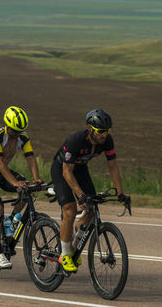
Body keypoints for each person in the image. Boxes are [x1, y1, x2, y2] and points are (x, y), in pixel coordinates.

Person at [50, 109, 130, 273]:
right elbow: (67, 173)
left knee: (92, 208)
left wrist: (121, 194)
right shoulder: (76, 140)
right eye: (101, 131)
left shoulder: (107, 142)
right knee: (70, 210)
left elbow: (113, 167)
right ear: (89, 128)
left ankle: (74, 246)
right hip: (62, 170)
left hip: (80, 170)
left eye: (107, 131)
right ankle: (64, 255)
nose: (104, 135)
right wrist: (80, 195)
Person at [0, 106, 43, 269]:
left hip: (1, 172)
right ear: (7, 125)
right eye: (14, 131)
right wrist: (14, 183)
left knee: (26, 189)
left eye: (20, 131)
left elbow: (30, 157)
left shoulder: (23, 137)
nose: (17, 135)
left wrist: (36, 178)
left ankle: (11, 221)